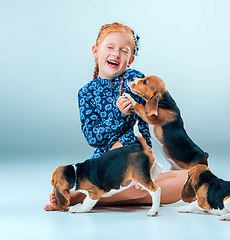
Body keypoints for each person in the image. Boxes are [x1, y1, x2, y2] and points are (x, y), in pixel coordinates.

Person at [44, 22, 187, 211]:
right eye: (110, 47)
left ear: (130, 60)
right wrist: (117, 115)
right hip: (106, 164)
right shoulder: (86, 93)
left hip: (138, 156)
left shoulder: (134, 79)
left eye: (124, 50)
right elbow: (92, 137)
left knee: (190, 177)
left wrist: (125, 141)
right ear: (96, 51)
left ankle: (87, 196)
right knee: (139, 186)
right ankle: (96, 194)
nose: (116, 54)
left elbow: (147, 118)